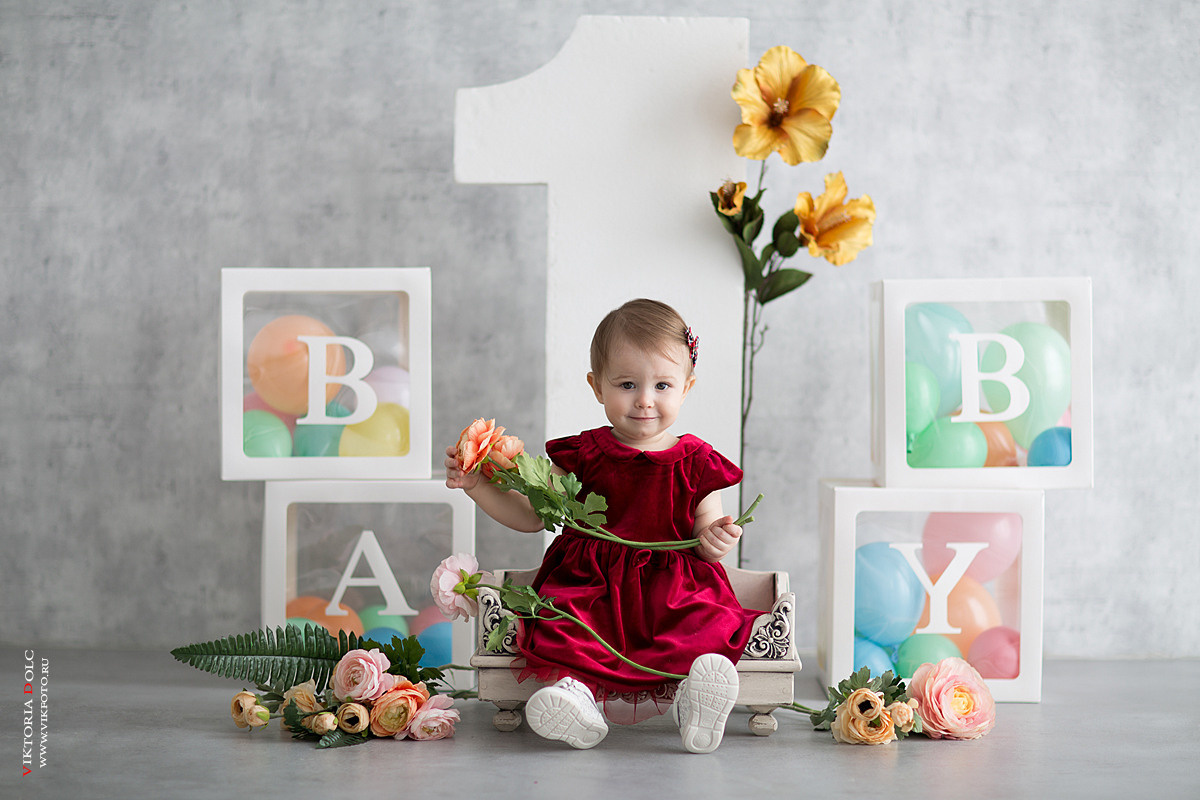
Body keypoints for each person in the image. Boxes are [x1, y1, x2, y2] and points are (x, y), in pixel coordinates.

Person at [444, 298, 762, 753]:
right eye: (627, 384)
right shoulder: (583, 455)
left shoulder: (696, 462)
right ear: (596, 386)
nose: (645, 399)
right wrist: (478, 486)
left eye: (662, 385)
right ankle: (577, 697)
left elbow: (706, 529)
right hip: (591, 582)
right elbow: (532, 515)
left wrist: (715, 539)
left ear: (687, 387)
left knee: (701, 622)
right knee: (567, 623)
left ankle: (693, 697)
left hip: (673, 585)